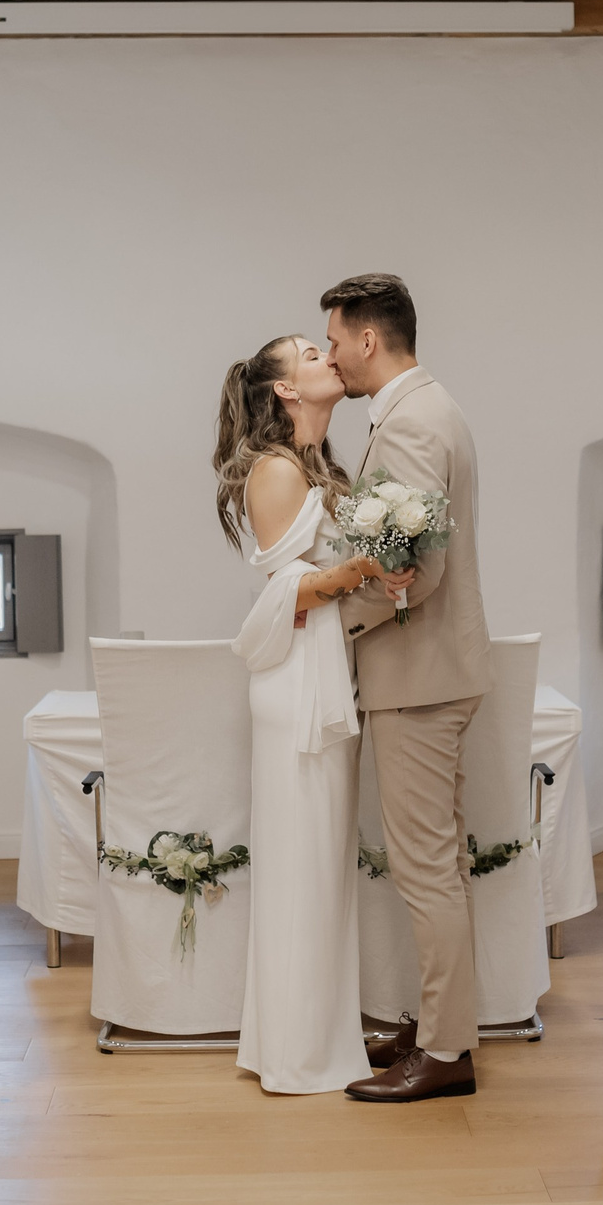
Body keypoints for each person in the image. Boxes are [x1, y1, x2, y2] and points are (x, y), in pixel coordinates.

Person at [320, 274, 493, 1104]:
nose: (330, 355)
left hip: (418, 676)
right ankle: (436, 1024)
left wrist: (329, 608)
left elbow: (413, 571)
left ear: (368, 338)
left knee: (426, 868)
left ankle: (448, 1050)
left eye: (334, 339)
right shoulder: (429, 408)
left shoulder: (412, 421)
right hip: (433, 673)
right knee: (439, 863)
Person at [216, 333, 396, 1094]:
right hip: (295, 688)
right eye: (309, 355)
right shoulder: (277, 470)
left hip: (322, 675)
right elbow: (288, 582)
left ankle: (317, 1032)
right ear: (286, 390)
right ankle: (297, 1051)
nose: (327, 358)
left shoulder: (321, 466)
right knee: (301, 867)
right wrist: (360, 568)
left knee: (322, 867)